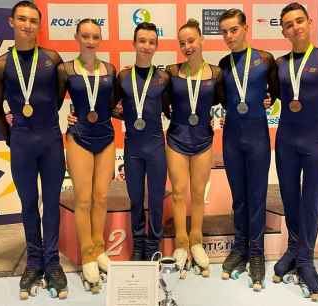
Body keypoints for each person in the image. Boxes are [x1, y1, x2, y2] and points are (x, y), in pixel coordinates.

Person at [0, 1, 67, 299]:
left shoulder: (52, 58)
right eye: (22, 19)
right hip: (21, 141)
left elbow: (57, 98)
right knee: (28, 203)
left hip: (50, 139)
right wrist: (11, 136)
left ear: (39, 25)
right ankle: (34, 262)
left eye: (33, 20)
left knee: (52, 201)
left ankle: (53, 262)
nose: (27, 25)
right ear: (11, 22)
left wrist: (44, 122)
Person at [273, 2, 318, 301]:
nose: (295, 28)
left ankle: (306, 258)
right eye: (289, 24)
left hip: (316, 141)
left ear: (309, 22)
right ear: (283, 30)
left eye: (299, 21)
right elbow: (271, 97)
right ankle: (293, 250)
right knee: (290, 198)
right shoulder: (278, 64)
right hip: (286, 141)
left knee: (311, 200)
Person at [217, 8, 279, 291]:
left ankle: (257, 253)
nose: (229, 36)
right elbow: (220, 97)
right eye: (224, 32)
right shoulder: (222, 64)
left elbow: (277, 92)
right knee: (239, 198)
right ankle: (240, 248)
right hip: (231, 137)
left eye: (234, 30)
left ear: (245, 29)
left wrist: (268, 100)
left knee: (256, 196)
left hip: (257, 137)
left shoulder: (265, 60)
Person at [58, 18, 117, 293]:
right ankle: (87, 255)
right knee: (83, 200)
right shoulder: (65, 70)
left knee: (101, 197)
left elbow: (114, 105)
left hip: (105, 138)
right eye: (85, 36)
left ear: (100, 38)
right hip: (79, 138)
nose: (90, 41)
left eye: (95, 36)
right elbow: (52, 102)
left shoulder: (110, 69)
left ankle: (99, 247)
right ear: (77, 37)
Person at [165, 19, 225, 277]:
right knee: (179, 193)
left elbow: (230, 100)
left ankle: (197, 242)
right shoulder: (170, 71)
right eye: (182, 43)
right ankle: (181, 244)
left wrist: (265, 100)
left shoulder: (216, 73)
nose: (187, 46)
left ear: (201, 40)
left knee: (198, 194)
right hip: (177, 139)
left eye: (191, 41)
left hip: (203, 140)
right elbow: (154, 98)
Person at [117, 22, 170, 261]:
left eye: (151, 42)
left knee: (156, 198)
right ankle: (138, 244)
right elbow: (107, 107)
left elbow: (171, 110)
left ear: (156, 46)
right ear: (134, 43)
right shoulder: (123, 76)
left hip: (157, 145)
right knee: (136, 198)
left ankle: (153, 245)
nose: (146, 46)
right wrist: (76, 115)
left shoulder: (163, 78)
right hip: (133, 147)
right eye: (142, 41)